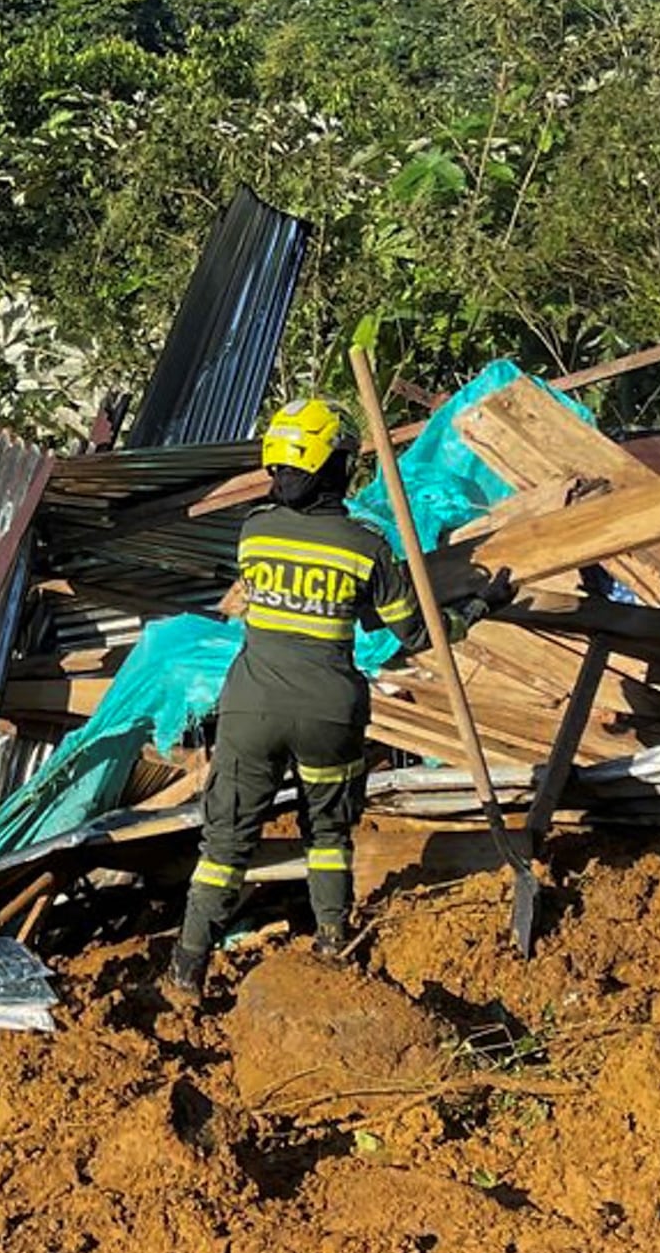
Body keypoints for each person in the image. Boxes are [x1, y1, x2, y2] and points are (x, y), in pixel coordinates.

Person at [164, 400, 508, 1004]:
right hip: (329, 712)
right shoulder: (366, 546)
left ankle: (187, 971)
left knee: (225, 847)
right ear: (333, 468)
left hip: (250, 710)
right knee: (327, 832)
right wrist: (481, 607)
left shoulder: (255, 532)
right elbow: (416, 632)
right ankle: (331, 940)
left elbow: (290, 594)